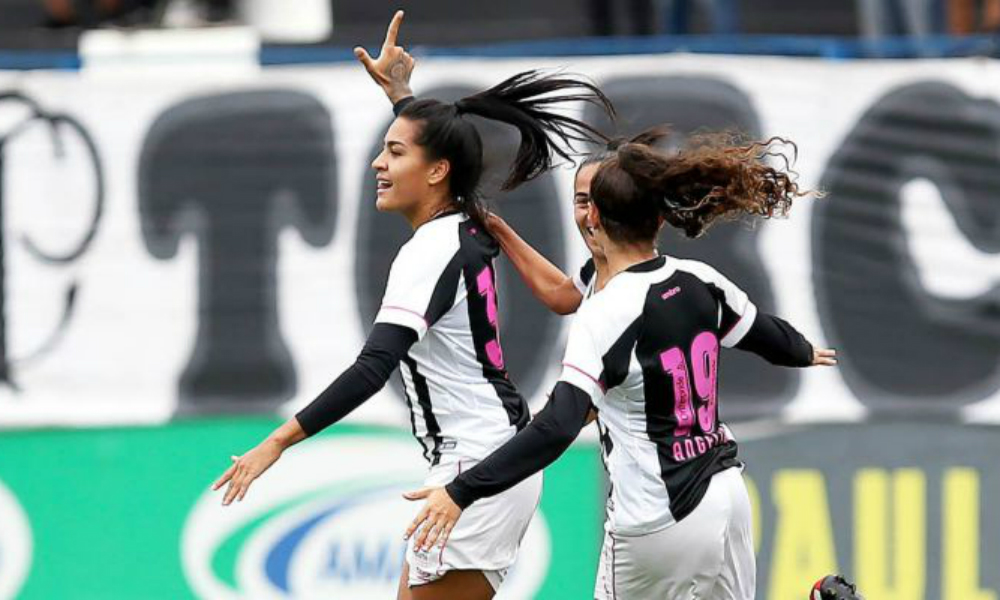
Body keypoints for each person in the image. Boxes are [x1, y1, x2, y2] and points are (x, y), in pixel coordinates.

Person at [212, 11, 614, 600]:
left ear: (437, 172)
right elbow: (448, 155)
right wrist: (403, 96)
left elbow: (372, 369)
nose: (378, 164)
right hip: (486, 460)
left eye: (393, 153)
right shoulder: (465, 224)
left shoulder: (431, 250)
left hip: (476, 464)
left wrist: (277, 442)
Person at [404, 130, 837, 599]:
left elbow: (557, 426)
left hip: (656, 513)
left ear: (598, 217)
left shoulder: (607, 312)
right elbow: (765, 335)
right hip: (725, 494)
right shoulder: (699, 279)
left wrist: (461, 491)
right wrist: (802, 350)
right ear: (658, 216)